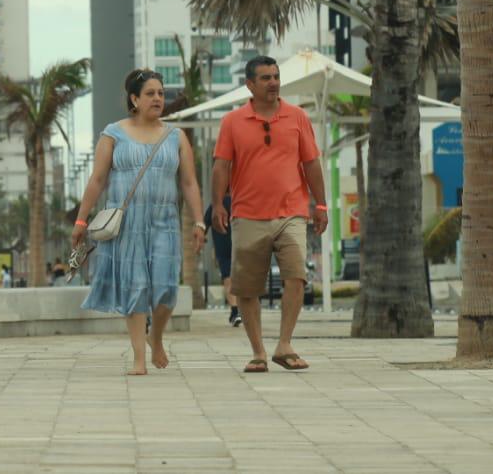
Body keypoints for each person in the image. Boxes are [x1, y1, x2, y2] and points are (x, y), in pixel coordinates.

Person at [74, 68, 206, 376]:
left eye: (161, 93)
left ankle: (155, 337)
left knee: (166, 289)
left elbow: (188, 183)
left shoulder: (176, 136)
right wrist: (81, 220)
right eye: (150, 93)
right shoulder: (113, 133)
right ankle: (138, 357)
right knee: (135, 288)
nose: (158, 98)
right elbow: (97, 180)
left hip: (165, 221)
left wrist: (199, 222)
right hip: (127, 224)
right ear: (134, 99)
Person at [212, 57, 327, 373]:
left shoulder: (297, 117)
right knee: (247, 288)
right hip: (247, 215)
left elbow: (312, 164)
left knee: (296, 276)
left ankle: (284, 344)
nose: (273, 82)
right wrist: (218, 205)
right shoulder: (232, 122)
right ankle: (258, 351)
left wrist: (321, 204)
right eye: (265, 78)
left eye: (276, 76)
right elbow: (221, 166)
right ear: (249, 84)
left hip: (291, 212)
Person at [204, 198, 239, 326]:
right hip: (239, 247)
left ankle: (235, 311)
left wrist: (202, 236)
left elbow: (204, 223)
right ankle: (237, 311)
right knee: (238, 279)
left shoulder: (215, 204)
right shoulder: (239, 201)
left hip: (223, 248)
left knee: (228, 279)